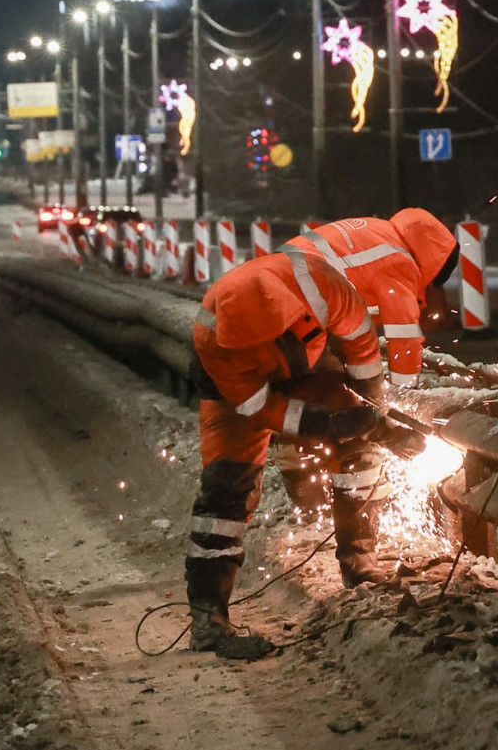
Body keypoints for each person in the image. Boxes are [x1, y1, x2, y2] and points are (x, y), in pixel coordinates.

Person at [186, 249, 416, 656]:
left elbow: (362, 344)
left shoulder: (320, 284)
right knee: (227, 486)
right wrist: (324, 426)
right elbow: (259, 408)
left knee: (355, 437)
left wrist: (373, 415)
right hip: (238, 393)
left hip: (314, 360)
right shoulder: (214, 340)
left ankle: (359, 560)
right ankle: (209, 619)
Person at [271, 208, 459, 511]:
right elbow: (404, 335)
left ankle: (308, 503)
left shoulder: (375, 233)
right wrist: (402, 397)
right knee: (354, 404)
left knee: (297, 400)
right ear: (431, 260)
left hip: (274, 299)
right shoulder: (400, 260)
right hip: (305, 308)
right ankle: (358, 508)